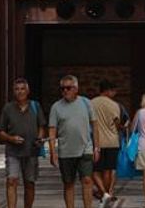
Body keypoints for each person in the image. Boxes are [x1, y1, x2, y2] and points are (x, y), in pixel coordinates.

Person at [48, 75, 99, 208]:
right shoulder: (56, 107)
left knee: (87, 180)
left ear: (76, 89)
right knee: (68, 183)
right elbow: (52, 130)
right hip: (66, 151)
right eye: (62, 88)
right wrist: (53, 152)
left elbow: (95, 125)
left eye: (69, 88)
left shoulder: (86, 103)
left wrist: (96, 147)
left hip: (85, 149)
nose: (65, 91)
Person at [0, 78, 43, 208]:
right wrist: (11, 138)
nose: (20, 92)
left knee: (29, 183)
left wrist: (39, 138)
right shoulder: (8, 108)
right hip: (13, 152)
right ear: (13, 92)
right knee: (11, 181)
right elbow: (0, 131)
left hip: (31, 151)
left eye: (22, 89)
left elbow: (41, 126)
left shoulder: (35, 106)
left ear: (27, 91)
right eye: (17, 89)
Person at [89, 81, 124, 207]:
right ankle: (106, 194)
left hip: (95, 141)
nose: (115, 94)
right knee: (108, 170)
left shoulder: (91, 103)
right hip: (112, 141)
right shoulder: (115, 105)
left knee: (94, 170)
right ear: (108, 90)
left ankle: (103, 194)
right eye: (113, 91)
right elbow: (117, 124)